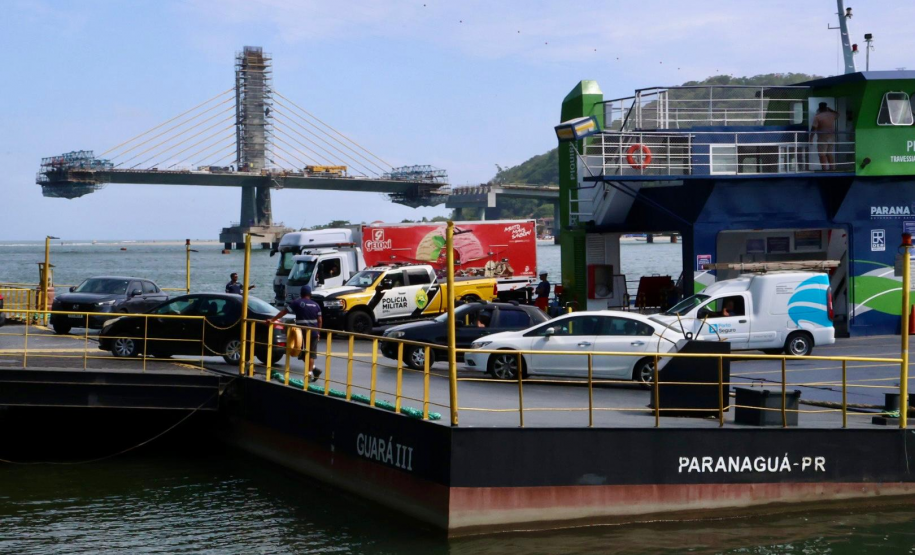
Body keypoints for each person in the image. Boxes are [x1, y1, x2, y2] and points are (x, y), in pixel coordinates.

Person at [271, 285, 323, 380]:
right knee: (307, 354)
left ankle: (309, 374)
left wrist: (273, 320)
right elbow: (320, 320)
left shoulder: (297, 303)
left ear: (301, 294)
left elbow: (284, 312)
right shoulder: (316, 305)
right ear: (310, 294)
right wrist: (319, 332)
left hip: (302, 333)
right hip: (314, 333)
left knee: (305, 354)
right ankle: (314, 370)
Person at [812, 102, 838, 171]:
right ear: (826, 107)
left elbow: (813, 128)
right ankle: (832, 168)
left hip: (822, 138)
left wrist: (810, 138)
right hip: (831, 137)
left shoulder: (818, 116)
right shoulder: (832, 114)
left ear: (819, 108)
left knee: (822, 154)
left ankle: (824, 169)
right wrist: (830, 110)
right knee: (829, 153)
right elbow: (838, 114)